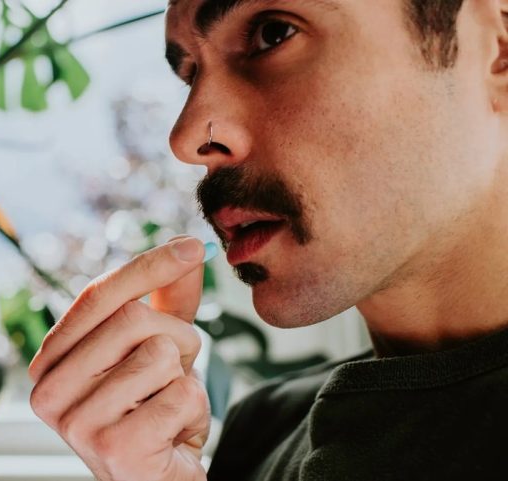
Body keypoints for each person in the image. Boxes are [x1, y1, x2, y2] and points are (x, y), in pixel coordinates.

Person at [28, 0, 508, 479]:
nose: (187, 138)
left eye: (273, 34)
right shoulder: (260, 431)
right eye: (191, 75)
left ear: (498, 45)